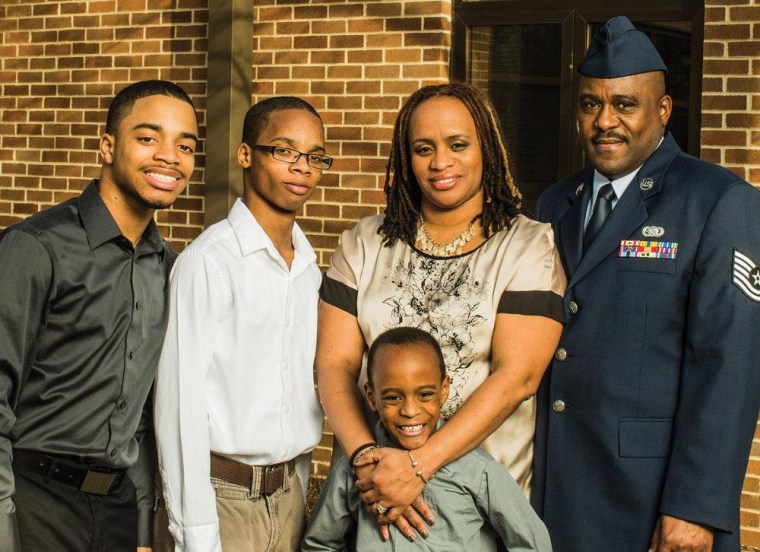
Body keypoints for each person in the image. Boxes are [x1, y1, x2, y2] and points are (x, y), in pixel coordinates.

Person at [532, 16, 760, 552]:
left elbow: (731, 364)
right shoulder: (553, 203)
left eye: (625, 105)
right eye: (591, 104)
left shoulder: (717, 201)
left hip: (651, 498)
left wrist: (695, 507)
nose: (605, 120)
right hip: (555, 485)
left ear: (662, 110)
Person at [316, 82, 566, 541]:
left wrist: (416, 466)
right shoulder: (362, 244)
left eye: (458, 144)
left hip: (477, 517)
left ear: (486, 149)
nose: (440, 163)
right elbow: (334, 365)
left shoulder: (528, 246)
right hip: (374, 508)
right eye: (423, 148)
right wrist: (371, 465)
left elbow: (518, 378)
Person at [0, 80, 198, 551]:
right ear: (108, 146)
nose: (170, 156)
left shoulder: (171, 269)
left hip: (116, 510)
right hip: (33, 503)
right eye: (148, 138)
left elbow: (148, 414)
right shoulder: (36, 247)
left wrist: (144, 525)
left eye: (185, 145)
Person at [154, 96, 329, 552]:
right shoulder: (208, 262)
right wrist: (196, 533)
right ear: (246, 155)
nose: (302, 167)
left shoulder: (310, 270)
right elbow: (179, 406)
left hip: (289, 496)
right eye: (285, 150)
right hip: (223, 500)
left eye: (314, 156)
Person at [303, 326, 552, 551]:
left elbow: (533, 544)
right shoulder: (354, 471)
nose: (410, 411)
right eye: (393, 397)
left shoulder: (479, 471)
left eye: (424, 394)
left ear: (444, 390)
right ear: (371, 396)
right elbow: (319, 544)